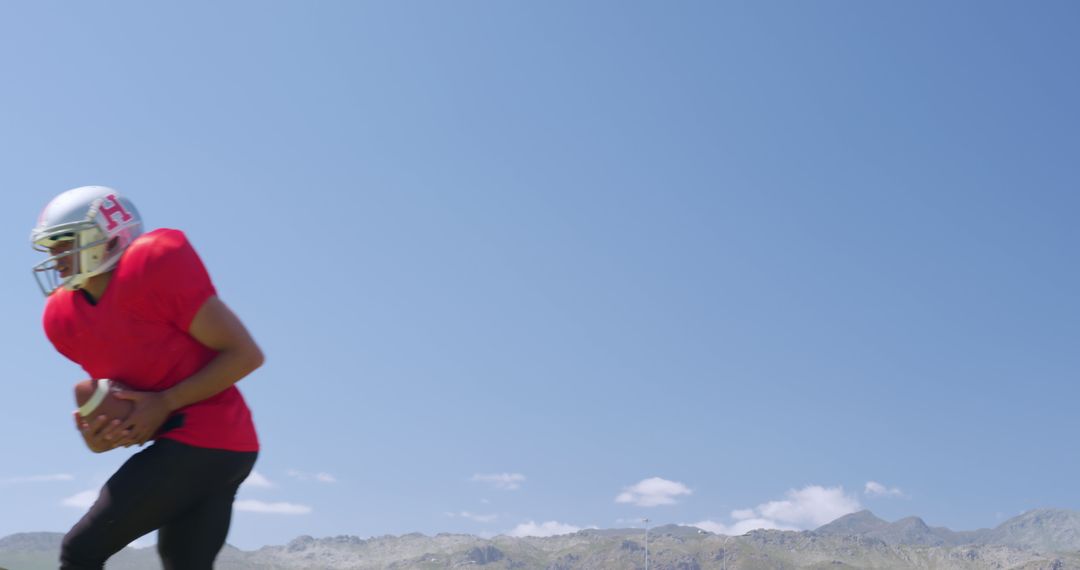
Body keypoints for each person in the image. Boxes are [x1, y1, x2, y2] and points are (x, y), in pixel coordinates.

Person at [31, 186, 263, 569]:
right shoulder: (64, 319)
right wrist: (101, 436)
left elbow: (245, 354)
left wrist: (167, 402)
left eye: (66, 243)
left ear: (111, 238)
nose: (57, 257)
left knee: (81, 549)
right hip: (228, 447)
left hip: (205, 437)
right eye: (51, 247)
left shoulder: (153, 266)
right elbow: (129, 406)